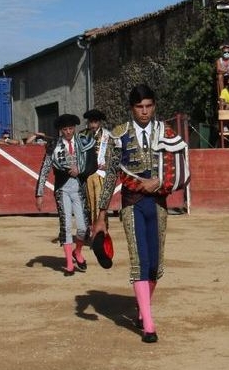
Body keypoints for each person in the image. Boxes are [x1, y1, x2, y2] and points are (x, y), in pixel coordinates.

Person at [91, 84, 189, 344]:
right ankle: (148, 323)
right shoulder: (119, 135)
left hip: (158, 204)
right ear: (131, 108)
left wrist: (160, 181)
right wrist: (101, 215)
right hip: (132, 204)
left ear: (154, 106)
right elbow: (110, 176)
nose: (144, 111)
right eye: (139, 107)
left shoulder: (165, 132)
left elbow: (179, 167)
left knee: (155, 265)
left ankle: (141, 309)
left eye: (148, 106)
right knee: (140, 261)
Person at [35, 114, 96, 276]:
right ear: (60, 130)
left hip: (79, 189)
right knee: (66, 225)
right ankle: (69, 264)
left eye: (70, 128)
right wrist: (39, 193)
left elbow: (93, 164)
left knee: (83, 228)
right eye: (65, 129)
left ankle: (78, 252)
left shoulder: (83, 142)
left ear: (74, 128)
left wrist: (80, 170)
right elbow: (45, 169)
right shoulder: (54, 145)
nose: (68, 132)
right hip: (62, 190)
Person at [82, 108, 111, 228]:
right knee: (89, 204)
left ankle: (102, 230)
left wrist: (108, 165)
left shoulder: (107, 135)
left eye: (95, 122)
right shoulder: (83, 135)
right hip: (87, 174)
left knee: (100, 202)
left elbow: (114, 153)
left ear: (99, 122)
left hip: (101, 174)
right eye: (91, 122)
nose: (93, 125)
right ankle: (92, 230)